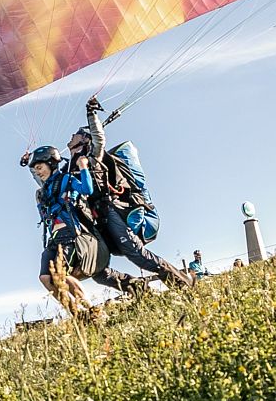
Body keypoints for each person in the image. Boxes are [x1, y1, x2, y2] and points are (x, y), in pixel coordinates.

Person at [70, 98, 194, 288]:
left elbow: (99, 138)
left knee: (137, 254)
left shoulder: (93, 157)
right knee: (95, 268)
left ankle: (182, 284)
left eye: (77, 134)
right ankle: (136, 288)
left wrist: (91, 114)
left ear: (85, 139)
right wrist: (32, 165)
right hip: (96, 220)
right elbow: (48, 180)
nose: (72, 135)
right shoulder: (70, 168)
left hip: (109, 209)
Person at [25, 146, 142, 309]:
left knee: (62, 275)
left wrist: (83, 167)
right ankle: (77, 315)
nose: (37, 172)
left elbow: (87, 189)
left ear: (51, 164)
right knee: (45, 278)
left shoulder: (66, 179)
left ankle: (92, 311)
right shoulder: (44, 190)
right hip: (54, 238)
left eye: (39, 168)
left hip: (70, 234)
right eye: (35, 169)